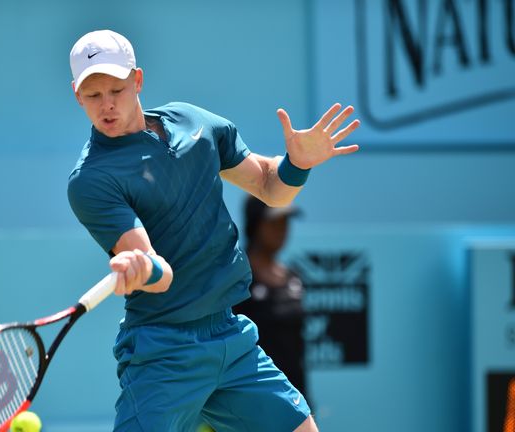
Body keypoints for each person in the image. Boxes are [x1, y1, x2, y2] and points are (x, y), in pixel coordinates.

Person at [66, 29, 359, 432]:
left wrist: (297, 164)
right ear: (77, 95)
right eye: (93, 95)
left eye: (116, 89)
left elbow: (270, 187)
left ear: (137, 80)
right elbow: (159, 272)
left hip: (230, 337)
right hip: (163, 351)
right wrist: (139, 266)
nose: (107, 105)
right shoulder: (91, 180)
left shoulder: (194, 123)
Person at [232, 197, 308, 398]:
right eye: (274, 221)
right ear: (255, 224)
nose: (281, 229)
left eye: (285, 221)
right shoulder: (236, 278)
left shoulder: (294, 276)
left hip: (296, 395)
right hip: (251, 396)